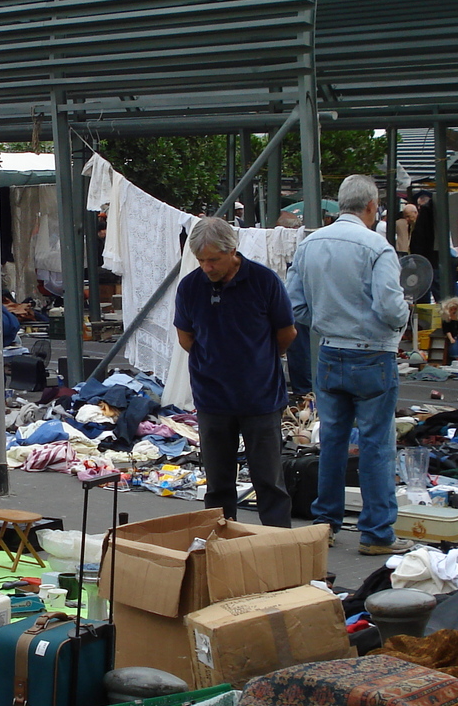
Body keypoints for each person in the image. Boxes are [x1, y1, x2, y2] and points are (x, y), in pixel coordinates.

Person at [286, 175, 412, 555]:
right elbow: (390, 308)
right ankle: (376, 534)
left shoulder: (309, 244)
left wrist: (326, 317)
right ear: (372, 207)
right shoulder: (378, 247)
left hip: (329, 352)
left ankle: (325, 524)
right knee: (376, 444)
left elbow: (294, 306)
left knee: (332, 442)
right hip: (373, 353)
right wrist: (400, 319)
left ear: (339, 204)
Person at [174, 217, 296, 529]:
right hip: (213, 400)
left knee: (269, 482)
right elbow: (185, 337)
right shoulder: (190, 287)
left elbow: (287, 333)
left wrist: (258, 360)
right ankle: (219, 547)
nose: (207, 267)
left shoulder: (264, 281)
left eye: (213, 260)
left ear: (233, 251)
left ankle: (276, 545)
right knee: (218, 486)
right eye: (201, 260)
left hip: (261, 398)